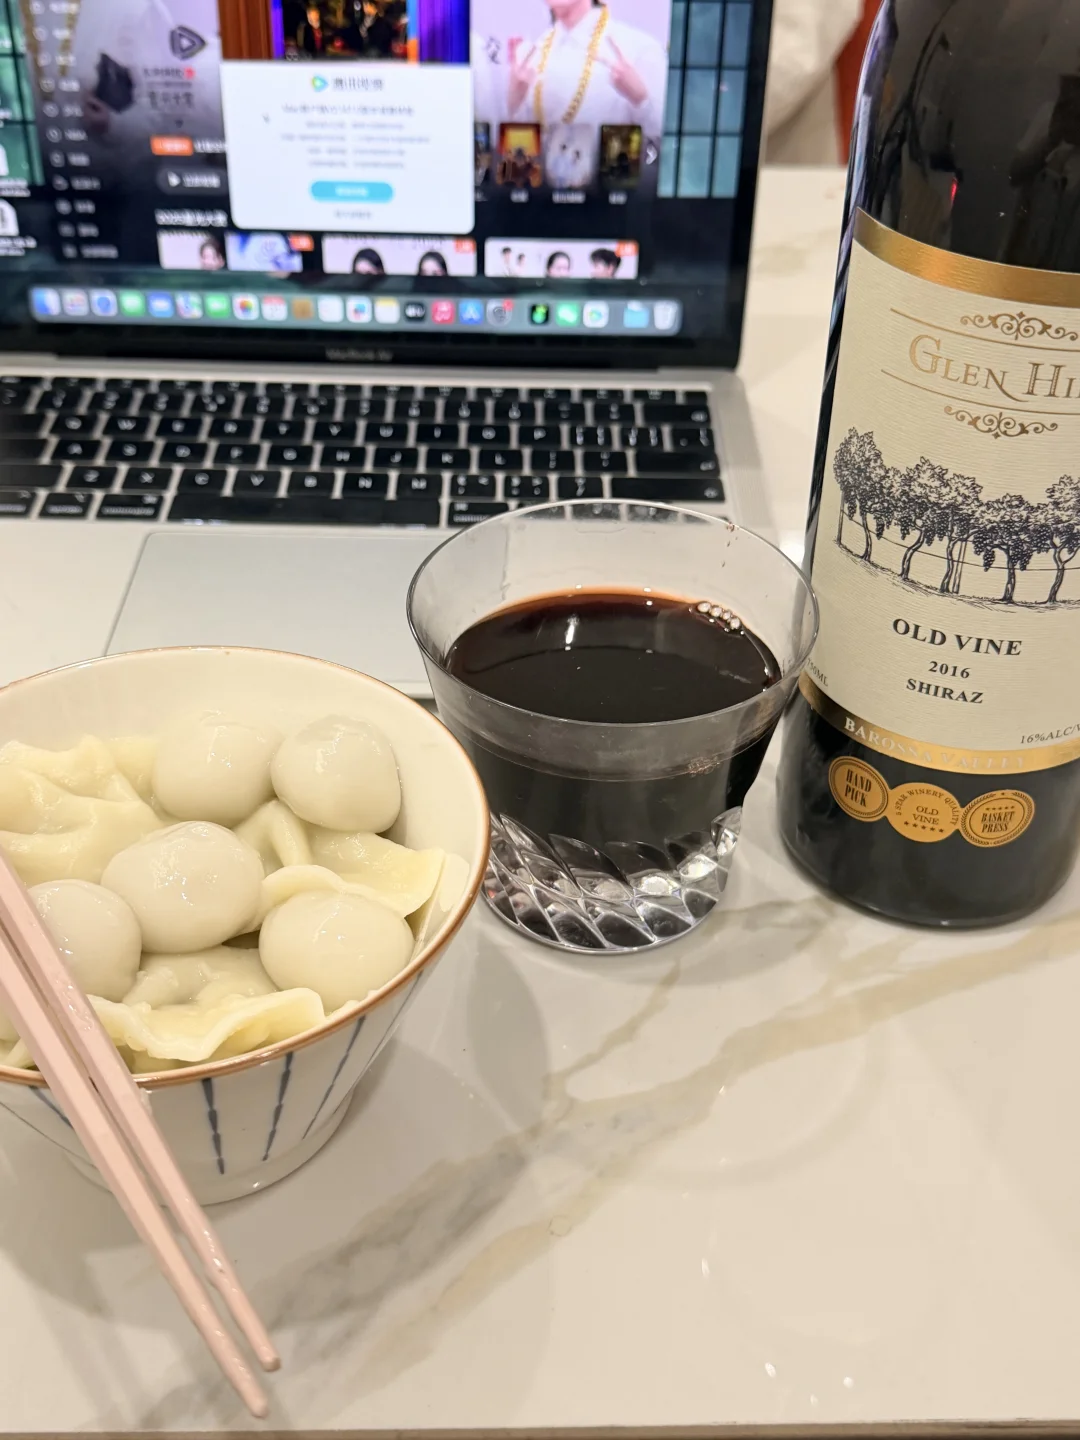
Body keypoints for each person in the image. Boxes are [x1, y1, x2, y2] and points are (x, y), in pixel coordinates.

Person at [506, 0, 666, 140]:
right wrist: (514, 105)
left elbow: (666, 142)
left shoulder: (638, 48)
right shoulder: (528, 55)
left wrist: (641, 100)